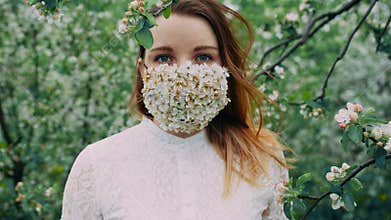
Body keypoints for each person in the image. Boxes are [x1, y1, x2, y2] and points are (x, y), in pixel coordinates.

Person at [61, 0, 295, 219]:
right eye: (164, 58)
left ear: (224, 66)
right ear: (143, 71)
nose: (184, 72)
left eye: (203, 57)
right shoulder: (96, 165)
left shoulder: (262, 158)